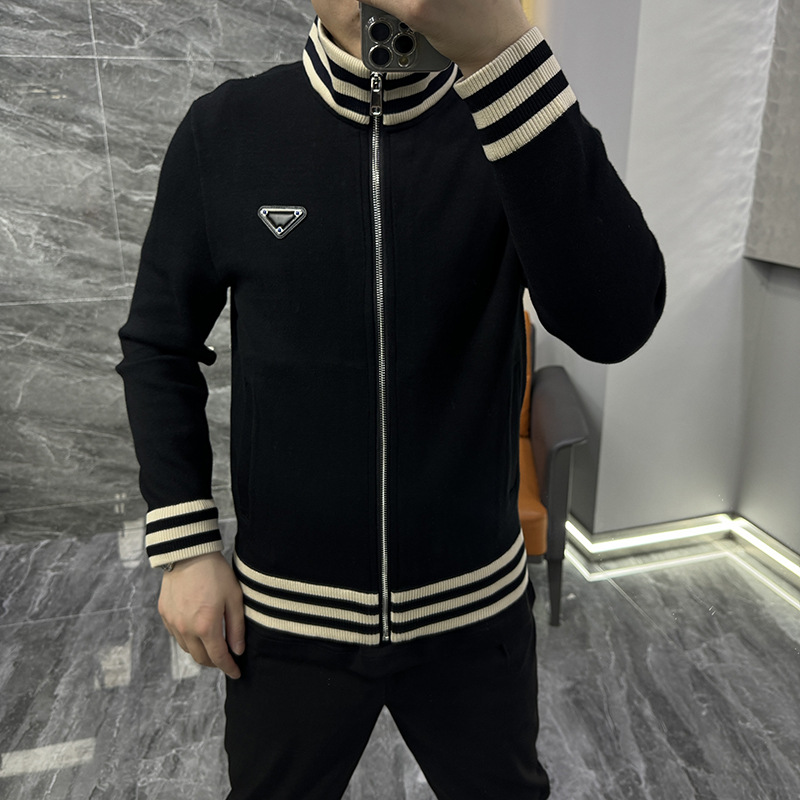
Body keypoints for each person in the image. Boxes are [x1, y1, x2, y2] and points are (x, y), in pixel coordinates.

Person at [117, 1, 666, 797]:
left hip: (475, 616)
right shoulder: (227, 129)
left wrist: (505, 49)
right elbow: (159, 343)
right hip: (288, 620)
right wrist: (187, 546)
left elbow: (615, 323)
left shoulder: (510, 120)